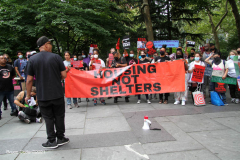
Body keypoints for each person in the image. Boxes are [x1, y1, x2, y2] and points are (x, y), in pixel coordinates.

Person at [25, 36, 69, 149]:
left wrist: (28, 94)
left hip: (43, 95)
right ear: (45, 45)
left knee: (48, 117)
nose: (51, 46)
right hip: (57, 94)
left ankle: (51, 141)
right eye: (50, 43)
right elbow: (64, 75)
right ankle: (61, 137)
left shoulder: (32, 60)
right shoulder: (56, 57)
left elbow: (29, 79)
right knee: (59, 116)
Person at [0, 54, 18, 120]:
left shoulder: (10, 67)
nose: (4, 59)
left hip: (9, 88)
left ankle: (14, 111)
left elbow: (13, 75)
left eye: (4, 58)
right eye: (1, 58)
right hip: (0, 89)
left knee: (12, 101)